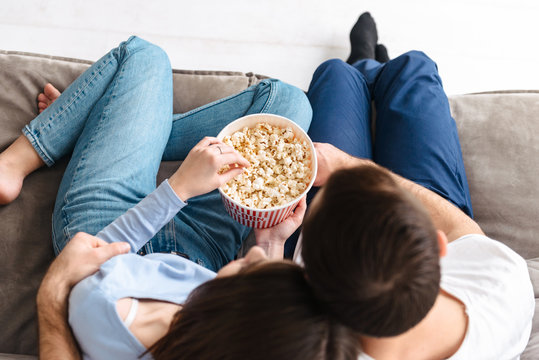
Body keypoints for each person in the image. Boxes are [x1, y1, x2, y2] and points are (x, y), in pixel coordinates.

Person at [0, 36, 360, 359]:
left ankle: (21, 160)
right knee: (286, 103)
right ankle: (100, 120)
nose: (251, 254)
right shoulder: (228, 337)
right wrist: (271, 242)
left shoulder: (108, 309)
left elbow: (95, 251)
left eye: (249, 268)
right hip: (204, 253)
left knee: (144, 56)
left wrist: (180, 188)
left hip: (109, 231)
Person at [294, 12, 535, 360]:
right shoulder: (503, 291)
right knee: (415, 68)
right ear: (439, 247)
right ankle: (378, 71)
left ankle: (361, 66)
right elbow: (459, 228)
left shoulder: (305, 339)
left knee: (335, 75)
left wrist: (272, 241)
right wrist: (351, 166)